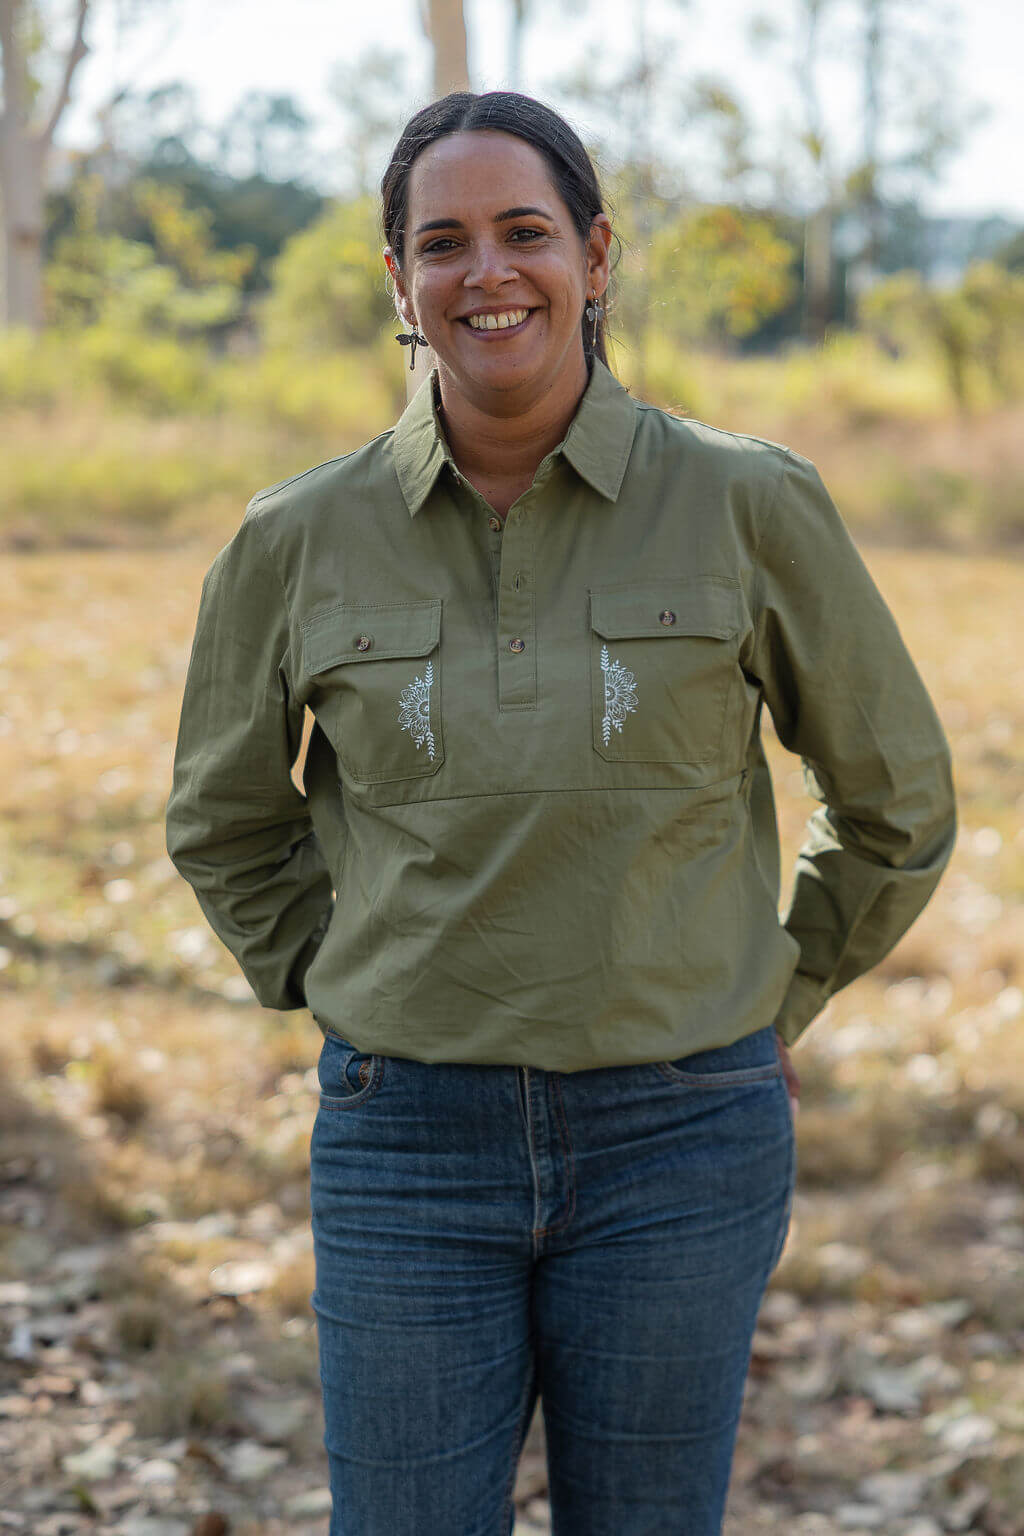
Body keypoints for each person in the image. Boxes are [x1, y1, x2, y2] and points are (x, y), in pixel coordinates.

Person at [166, 90, 956, 1536]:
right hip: (406, 1140)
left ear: (596, 257)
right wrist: (331, 976)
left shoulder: (748, 503)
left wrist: (776, 993)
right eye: (444, 242)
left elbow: (895, 799)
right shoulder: (294, 537)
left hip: (684, 1138)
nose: (488, 274)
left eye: (525, 232)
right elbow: (222, 818)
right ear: (397, 281)